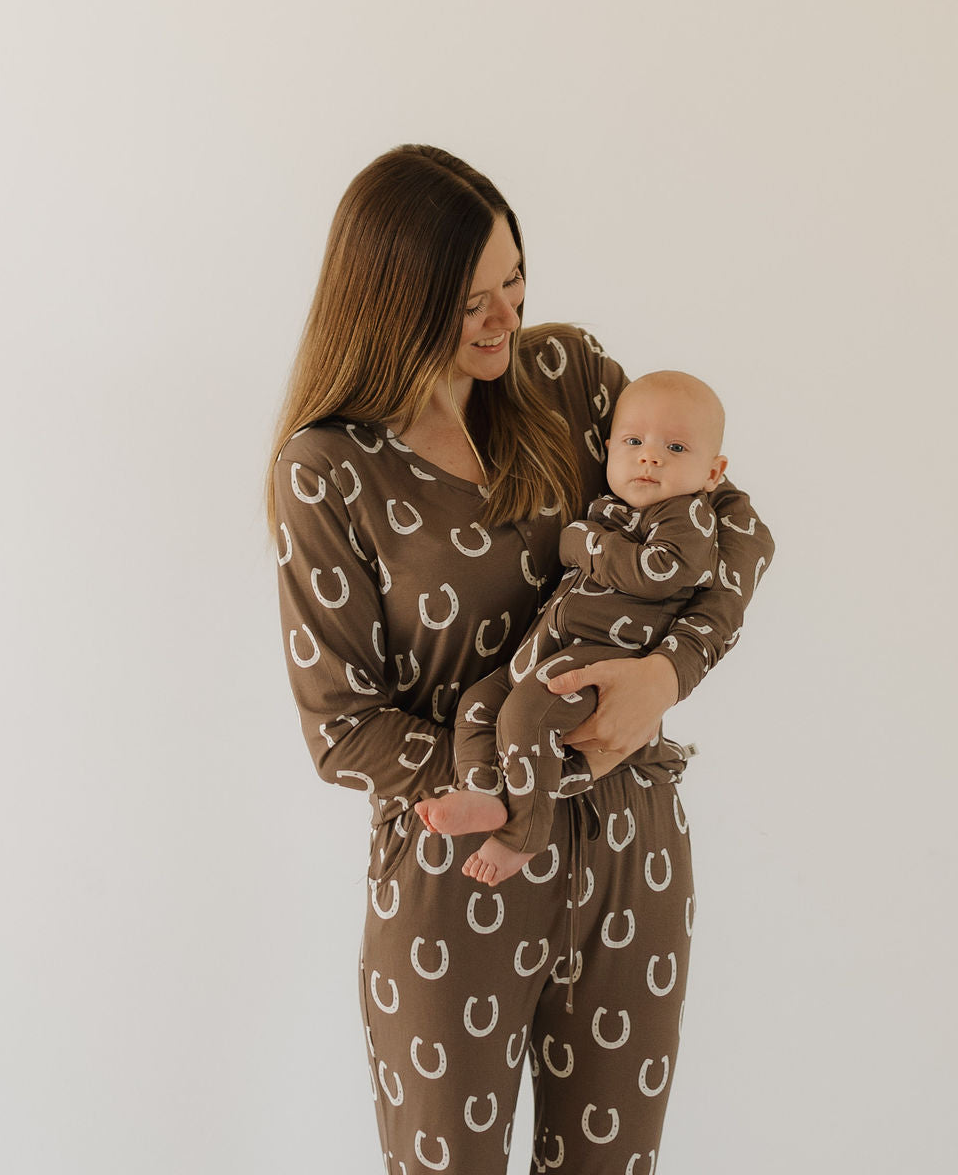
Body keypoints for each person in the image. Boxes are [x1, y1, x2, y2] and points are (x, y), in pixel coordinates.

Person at [267, 145, 774, 1175]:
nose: (503, 318)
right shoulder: (326, 469)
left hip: (630, 843)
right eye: (468, 301)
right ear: (389, 301)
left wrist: (664, 680)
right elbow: (341, 729)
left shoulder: (571, 377)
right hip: (458, 863)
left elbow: (732, 529)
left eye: (514, 280)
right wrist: (508, 784)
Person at [415, 370, 732, 888]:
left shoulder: (688, 516)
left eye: (675, 447)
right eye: (634, 442)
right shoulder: (614, 510)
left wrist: (582, 541)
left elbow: (657, 574)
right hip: (544, 650)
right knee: (477, 705)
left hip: (602, 656)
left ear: (713, 471)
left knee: (526, 715)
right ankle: (483, 790)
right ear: (608, 448)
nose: (649, 456)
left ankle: (523, 835)